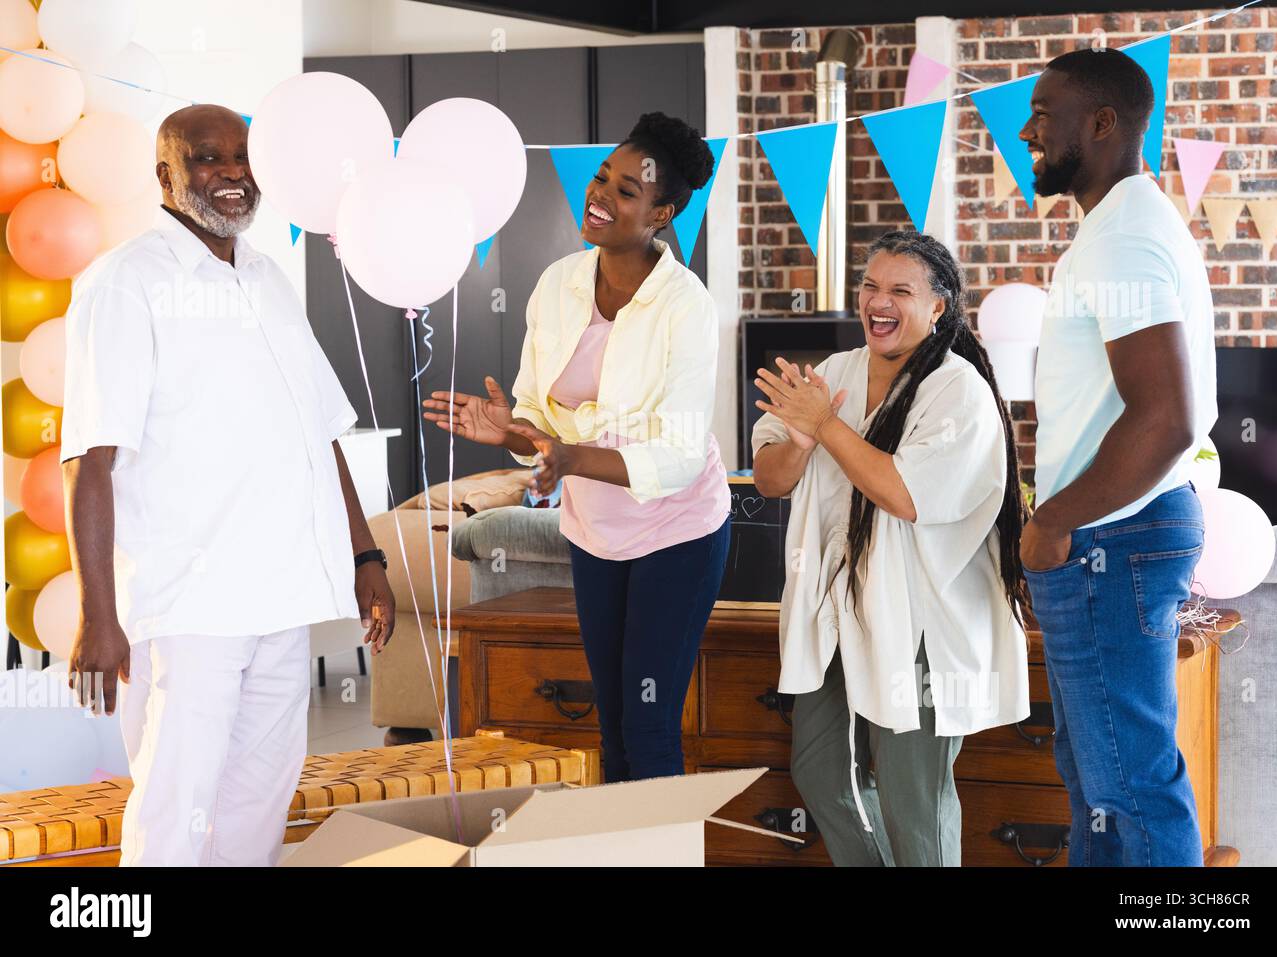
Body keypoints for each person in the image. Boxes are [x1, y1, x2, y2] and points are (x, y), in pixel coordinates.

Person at [60, 104, 396, 867]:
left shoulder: (268, 276)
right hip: (187, 606)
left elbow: (319, 430)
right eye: (208, 159)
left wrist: (366, 556)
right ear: (165, 176)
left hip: (280, 598)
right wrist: (98, 615)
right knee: (177, 811)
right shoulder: (124, 282)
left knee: (257, 805)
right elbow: (89, 458)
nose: (233, 174)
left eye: (243, 158)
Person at [424, 113, 731, 782]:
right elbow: (535, 415)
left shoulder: (687, 306)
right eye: (601, 178)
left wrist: (567, 457)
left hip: (677, 529)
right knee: (613, 720)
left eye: (627, 190)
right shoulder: (558, 284)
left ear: (662, 213)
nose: (601, 195)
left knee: (648, 721)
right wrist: (509, 429)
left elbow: (677, 452)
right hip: (595, 530)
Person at [751, 230, 1030, 866]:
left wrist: (825, 425)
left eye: (901, 290)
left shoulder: (957, 389)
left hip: (922, 621)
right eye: (871, 286)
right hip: (835, 613)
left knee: (913, 797)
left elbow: (905, 494)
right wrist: (799, 438)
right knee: (821, 770)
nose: (880, 301)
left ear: (938, 307)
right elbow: (770, 479)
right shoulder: (834, 374)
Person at [1017, 48, 1216, 867]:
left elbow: (1168, 415)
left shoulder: (1123, 238)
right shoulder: (1126, 225)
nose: (1026, 130)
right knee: (1101, 791)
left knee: (1128, 788)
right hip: (1116, 536)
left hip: (1112, 537)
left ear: (1103, 124)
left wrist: (1055, 519)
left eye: (1045, 113)